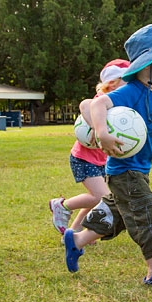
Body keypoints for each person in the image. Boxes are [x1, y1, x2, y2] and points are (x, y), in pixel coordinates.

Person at [62, 25, 152, 287]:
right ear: (148, 62)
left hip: (140, 169)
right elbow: (96, 103)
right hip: (123, 170)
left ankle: (76, 241)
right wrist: (102, 133)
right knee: (146, 211)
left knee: (117, 216)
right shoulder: (131, 91)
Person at [48, 59, 130, 236]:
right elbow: (84, 105)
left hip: (102, 161)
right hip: (83, 159)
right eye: (127, 81)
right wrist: (94, 126)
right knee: (102, 197)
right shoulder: (103, 100)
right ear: (112, 84)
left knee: (100, 198)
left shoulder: (121, 106)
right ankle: (62, 206)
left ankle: (76, 229)